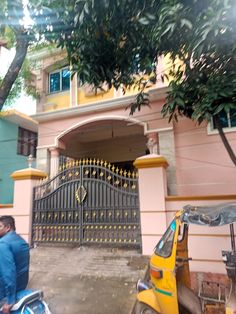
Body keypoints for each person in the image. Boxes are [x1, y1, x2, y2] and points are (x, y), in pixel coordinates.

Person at [0, 216, 30, 314]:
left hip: (5, 291)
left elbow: (8, 272)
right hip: (21, 287)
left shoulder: (3, 244)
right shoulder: (21, 241)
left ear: (7, 227)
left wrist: (10, 300)